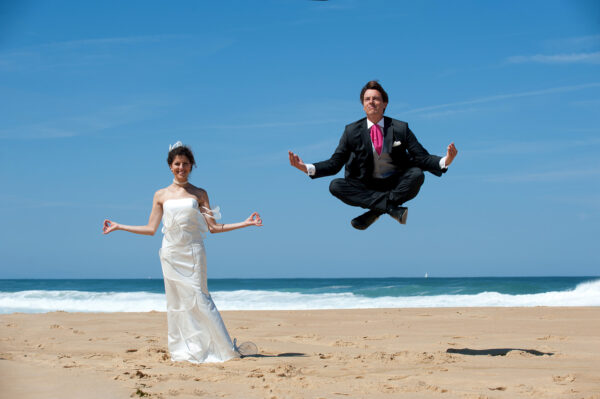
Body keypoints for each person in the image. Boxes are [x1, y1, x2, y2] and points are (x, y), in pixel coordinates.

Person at [102, 141, 262, 363]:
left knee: (200, 297)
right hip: (171, 254)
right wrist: (120, 226)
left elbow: (214, 227)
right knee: (177, 302)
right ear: (170, 166)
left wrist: (245, 223)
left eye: (186, 164)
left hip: (194, 252)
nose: (181, 168)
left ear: (191, 166)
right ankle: (186, 350)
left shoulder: (199, 193)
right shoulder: (160, 195)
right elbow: (150, 229)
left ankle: (224, 350)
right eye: (177, 164)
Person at [289, 80, 457, 230]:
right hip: (365, 188)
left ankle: (375, 211)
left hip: (395, 185)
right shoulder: (351, 131)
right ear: (363, 105)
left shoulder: (400, 128)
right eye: (367, 99)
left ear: (384, 103)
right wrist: (306, 167)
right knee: (335, 186)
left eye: (376, 98)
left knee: (417, 174)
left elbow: (422, 158)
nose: (372, 102)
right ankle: (390, 208)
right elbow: (335, 163)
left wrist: (446, 160)